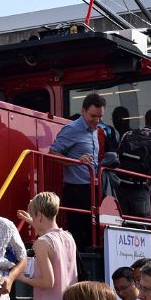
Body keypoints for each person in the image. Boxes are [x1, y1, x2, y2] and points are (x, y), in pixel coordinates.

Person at [50, 93, 106, 249]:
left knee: (94, 228)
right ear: (83, 111)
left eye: (100, 117)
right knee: (77, 230)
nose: (96, 120)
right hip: (76, 189)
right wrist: (76, 161)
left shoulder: (95, 129)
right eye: (93, 116)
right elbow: (52, 154)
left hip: (91, 187)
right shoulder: (71, 129)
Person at [115, 108, 151, 219]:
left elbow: (117, 158)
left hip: (121, 186)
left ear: (145, 120)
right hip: (140, 190)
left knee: (121, 223)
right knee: (140, 227)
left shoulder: (127, 134)